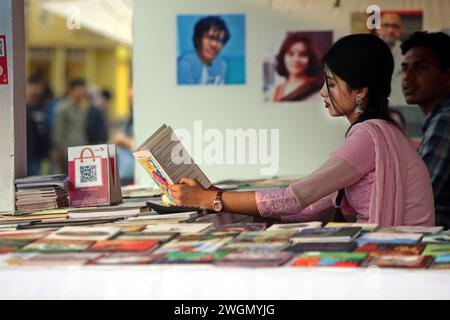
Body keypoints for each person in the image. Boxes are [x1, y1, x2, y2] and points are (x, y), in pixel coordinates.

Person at [170, 34, 435, 227]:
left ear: (360, 91)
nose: (322, 92)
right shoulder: (385, 132)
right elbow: (310, 206)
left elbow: (292, 199)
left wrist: (210, 198)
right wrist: (217, 195)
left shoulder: (368, 137)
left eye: (331, 83)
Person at [400, 31, 450, 229]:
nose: (408, 77)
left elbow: (420, 197)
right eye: (405, 68)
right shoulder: (438, 118)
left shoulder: (445, 120)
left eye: (420, 68)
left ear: (447, 77)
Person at [177, 16, 230, 85]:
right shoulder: (184, 65)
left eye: (219, 40)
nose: (214, 44)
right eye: (209, 37)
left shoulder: (222, 65)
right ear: (197, 39)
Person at [272, 33, 323, 102]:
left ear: (311, 58)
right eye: (291, 54)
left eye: (302, 54)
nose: (296, 59)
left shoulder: (318, 88)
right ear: (282, 57)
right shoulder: (276, 90)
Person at [52, 79, 88, 174]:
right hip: (66, 152)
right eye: (79, 90)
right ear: (72, 90)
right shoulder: (62, 108)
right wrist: (60, 148)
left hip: (80, 151)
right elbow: (58, 131)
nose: (82, 93)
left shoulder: (81, 109)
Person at [376, 12, 406, 106]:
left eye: (395, 26)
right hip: (375, 106)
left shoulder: (408, 52)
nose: (390, 30)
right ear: (378, 28)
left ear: (401, 29)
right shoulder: (367, 50)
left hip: (402, 105)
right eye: (386, 25)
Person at [26, 75, 51, 176]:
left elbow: (45, 131)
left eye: (39, 87)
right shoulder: (21, 107)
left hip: (39, 156)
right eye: (33, 86)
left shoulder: (42, 107)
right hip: (26, 156)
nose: (36, 90)